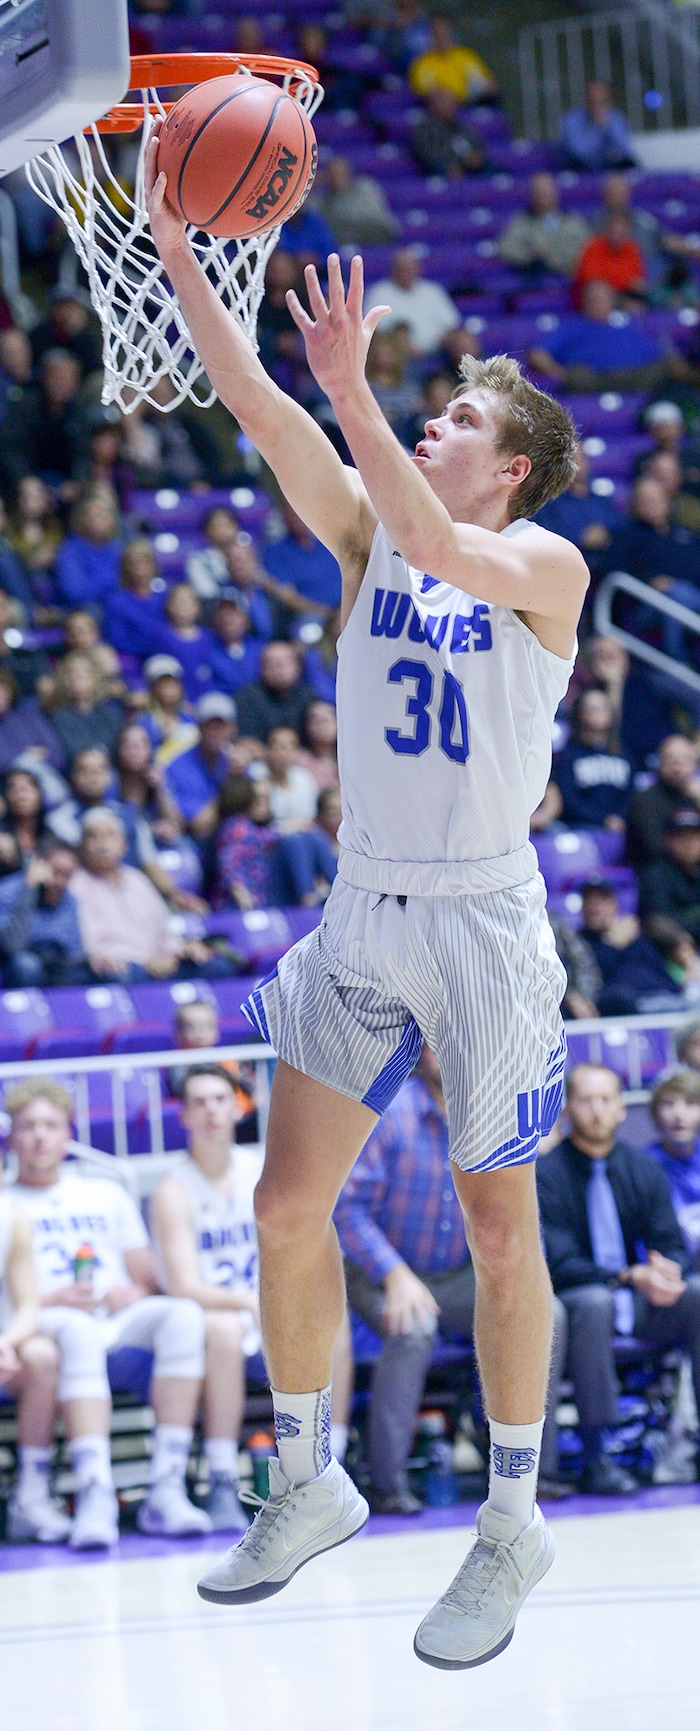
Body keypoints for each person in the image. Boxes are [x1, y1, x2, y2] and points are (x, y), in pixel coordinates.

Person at [147, 129, 587, 1666]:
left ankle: (513, 1516)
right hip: (365, 901)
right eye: (431, 402)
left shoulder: (543, 559)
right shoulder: (365, 538)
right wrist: (187, 251)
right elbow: (259, 405)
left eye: (458, 412)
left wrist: (351, 384)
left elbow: (431, 532)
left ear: (509, 458)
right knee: (283, 1206)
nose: (433, 416)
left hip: (482, 915)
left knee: (496, 1226)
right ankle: (307, 1470)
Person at [335, 1047, 566, 1511]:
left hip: (462, 1270)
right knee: (414, 1329)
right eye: (435, 1044)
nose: (447, 1053)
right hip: (381, 1267)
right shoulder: (388, 1113)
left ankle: (527, 1472)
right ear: (419, 1052)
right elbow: (347, 1208)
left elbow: (517, 1207)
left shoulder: (496, 1114)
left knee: (543, 1314)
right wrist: (396, 1275)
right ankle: (386, 1483)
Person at [8, 1079, 212, 1546]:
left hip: (111, 1317)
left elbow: (146, 1275)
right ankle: (95, 1489)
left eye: (51, 1126)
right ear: (13, 1138)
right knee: (77, 1328)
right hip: (38, 1319)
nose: (40, 1136)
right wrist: (49, 1299)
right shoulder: (6, 1202)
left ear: (68, 1134)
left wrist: (134, 1292)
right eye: (28, 1127)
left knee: (182, 1315)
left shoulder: (104, 1193)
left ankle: (167, 1484)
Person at [537, 1064, 700, 1494]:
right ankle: (598, 1453)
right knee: (595, 1302)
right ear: (568, 1107)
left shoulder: (642, 1168)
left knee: (697, 1293)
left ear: (622, 1109)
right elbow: (559, 1261)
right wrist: (628, 1276)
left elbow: (670, 1240)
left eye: (605, 1100)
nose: (596, 1110)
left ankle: (692, 1444)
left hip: (644, 1302)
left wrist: (669, 1268)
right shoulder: (547, 1173)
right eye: (585, 1100)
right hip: (577, 1305)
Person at [151, 1064, 264, 1532]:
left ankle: (330, 1462)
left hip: (264, 1304)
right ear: (184, 1117)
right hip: (218, 1315)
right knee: (222, 1328)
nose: (212, 1110)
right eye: (199, 1102)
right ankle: (222, 1476)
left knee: (330, 1321)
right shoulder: (173, 1188)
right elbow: (183, 1285)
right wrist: (247, 1303)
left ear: (238, 1106)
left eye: (220, 1098)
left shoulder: (263, 1169)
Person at [69, 807, 222, 982]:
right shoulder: (77, 885)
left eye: (110, 835)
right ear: (81, 847)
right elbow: (87, 945)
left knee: (217, 966)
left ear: (124, 845)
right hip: (119, 966)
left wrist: (180, 951)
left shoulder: (138, 880)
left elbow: (164, 931)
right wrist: (145, 963)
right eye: (93, 836)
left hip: (159, 961)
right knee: (121, 974)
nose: (102, 843)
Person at [0, 1190, 69, 1544]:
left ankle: (30, 1495)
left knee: (41, 1355)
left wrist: (6, 1342)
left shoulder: (11, 1217)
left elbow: (28, 1306)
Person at [527, 278, 678, 395]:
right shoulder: (571, 326)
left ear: (612, 301)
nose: (598, 304)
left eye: (602, 299)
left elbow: (657, 351)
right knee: (579, 377)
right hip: (593, 380)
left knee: (672, 368)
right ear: (585, 302)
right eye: (593, 300)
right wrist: (558, 373)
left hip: (636, 377)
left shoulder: (631, 324)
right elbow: (537, 354)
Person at [538, 688, 632, 832]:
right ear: (580, 714)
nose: (599, 712)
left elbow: (631, 794)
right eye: (593, 708)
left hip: (621, 826)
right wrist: (603, 819)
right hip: (579, 827)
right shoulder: (568, 755)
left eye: (604, 707)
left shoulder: (623, 754)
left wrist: (620, 818)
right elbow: (567, 798)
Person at [0, 840, 87, 987]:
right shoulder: (8, 891)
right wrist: (29, 891)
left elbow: (75, 951)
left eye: (67, 875)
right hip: (16, 963)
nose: (60, 881)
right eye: (56, 872)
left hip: (57, 964)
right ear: (38, 866)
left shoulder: (69, 900)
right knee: (26, 965)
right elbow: (12, 945)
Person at [363, 248, 461, 358]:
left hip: (437, 353)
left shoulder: (433, 291)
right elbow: (370, 330)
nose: (405, 273)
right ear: (393, 269)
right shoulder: (378, 293)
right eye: (401, 268)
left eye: (409, 268)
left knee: (463, 340)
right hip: (395, 355)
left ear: (417, 268)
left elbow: (452, 326)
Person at [165, 693, 238, 839]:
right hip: (199, 844)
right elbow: (199, 827)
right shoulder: (178, 767)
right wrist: (231, 781)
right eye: (209, 726)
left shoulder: (237, 761)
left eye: (221, 726)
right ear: (198, 727)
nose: (215, 733)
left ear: (232, 729)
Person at [647, 1071, 700, 1265]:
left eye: (690, 1103)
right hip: (668, 1267)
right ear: (655, 1114)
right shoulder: (643, 1166)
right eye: (669, 1104)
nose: (679, 1114)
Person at [626, 734, 700, 869]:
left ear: (694, 766)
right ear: (659, 764)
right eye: (671, 760)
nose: (677, 768)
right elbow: (654, 847)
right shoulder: (644, 800)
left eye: (684, 760)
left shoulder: (694, 798)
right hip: (657, 873)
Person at [498, 174, 590, 280]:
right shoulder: (520, 223)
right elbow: (506, 249)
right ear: (531, 195)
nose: (543, 196)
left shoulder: (573, 222)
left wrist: (555, 257)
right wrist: (530, 255)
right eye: (538, 192)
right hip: (533, 279)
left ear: (556, 193)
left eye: (547, 192)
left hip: (568, 278)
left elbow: (587, 249)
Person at [535, 446, 622, 555]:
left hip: (606, 561)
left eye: (582, 458)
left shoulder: (602, 501)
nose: (579, 464)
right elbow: (547, 535)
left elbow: (619, 525)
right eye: (572, 460)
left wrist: (606, 533)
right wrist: (580, 538)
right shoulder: (552, 505)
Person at [235, 641, 316, 745]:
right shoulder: (247, 697)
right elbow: (246, 740)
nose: (278, 669)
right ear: (261, 668)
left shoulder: (308, 696)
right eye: (271, 664)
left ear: (298, 667)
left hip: (305, 758)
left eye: (284, 663)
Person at [639, 808, 700, 941]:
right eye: (681, 837)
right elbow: (660, 918)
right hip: (672, 945)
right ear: (668, 840)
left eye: (694, 836)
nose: (688, 844)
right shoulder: (655, 874)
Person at [316, 155, 399, 249]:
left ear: (348, 173)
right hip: (343, 243)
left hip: (376, 238)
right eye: (332, 174)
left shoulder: (365, 188)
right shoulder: (323, 199)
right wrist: (312, 185)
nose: (336, 178)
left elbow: (378, 220)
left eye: (340, 173)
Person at [408, 16, 496, 104]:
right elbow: (425, 92)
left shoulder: (465, 55)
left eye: (445, 32)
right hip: (439, 109)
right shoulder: (422, 62)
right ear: (430, 36)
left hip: (468, 104)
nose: (441, 37)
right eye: (437, 34)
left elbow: (485, 83)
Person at [561, 80, 637, 173]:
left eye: (601, 100)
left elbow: (624, 148)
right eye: (593, 100)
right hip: (580, 168)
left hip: (610, 166)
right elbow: (578, 152)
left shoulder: (616, 117)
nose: (597, 104)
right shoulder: (572, 119)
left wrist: (608, 127)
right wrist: (597, 127)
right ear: (585, 99)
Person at [410, 89, 485, 181]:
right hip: (445, 170)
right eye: (446, 102)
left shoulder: (459, 125)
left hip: (472, 167)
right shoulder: (424, 129)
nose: (451, 106)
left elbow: (477, 144)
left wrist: (476, 156)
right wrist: (454, 164)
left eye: (452, 102)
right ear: (433, 105)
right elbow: (429, 154)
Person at [573, 214, 647, 305]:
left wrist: (626, 282)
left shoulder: (632, 249)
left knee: (635, 307)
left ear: (627, 231)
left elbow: (637, 281)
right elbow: (591, 278)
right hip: (594, 296)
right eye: (614, 230)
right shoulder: (593, 247)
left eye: (621, 230)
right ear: (606, 230)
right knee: (599, 293)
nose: (616, 235)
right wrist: (625, 280)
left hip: (623, 295)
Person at [265, 725, 319, 830]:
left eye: (288, 748)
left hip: (300, 833)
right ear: (267, 748)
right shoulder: (256, 774)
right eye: (276, 746)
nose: (282, 753)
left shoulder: (303, 777)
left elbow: (309, 815)